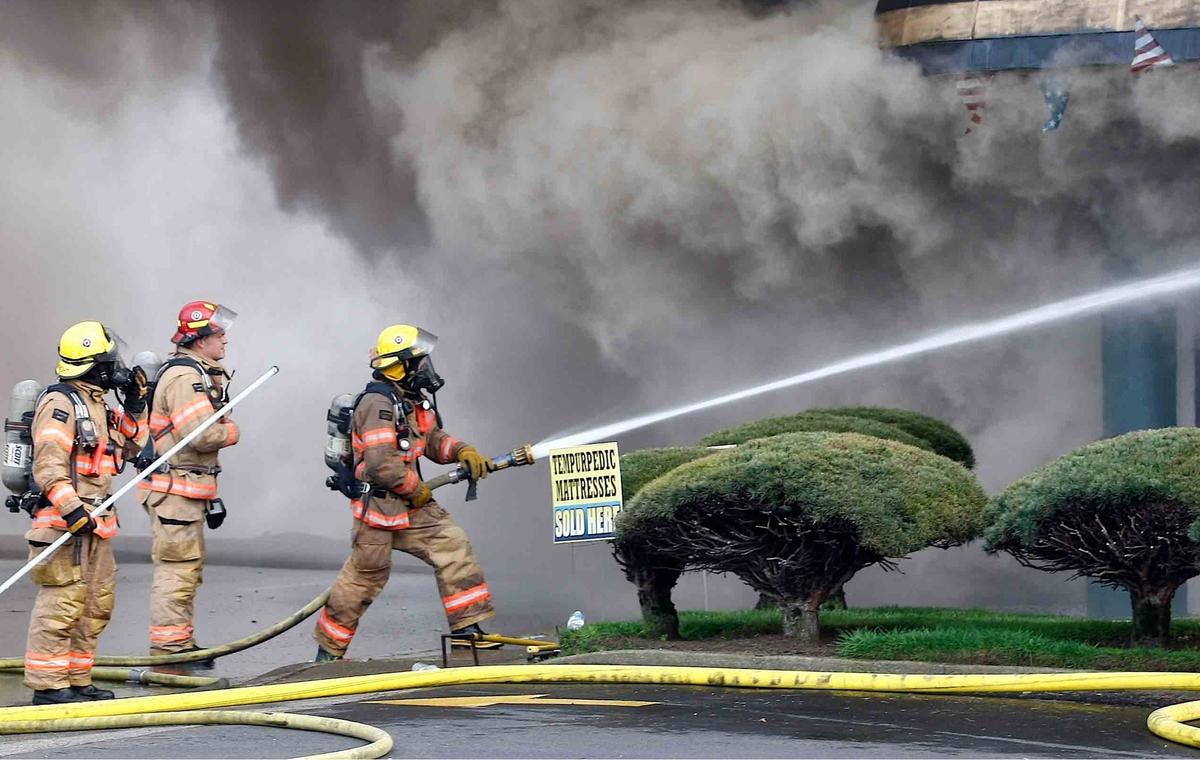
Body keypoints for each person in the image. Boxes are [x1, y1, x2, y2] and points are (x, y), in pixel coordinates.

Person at [313, 324, 496, 661]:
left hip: (411, 505)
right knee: (364, 578)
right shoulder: (377, 404)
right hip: (379, 507)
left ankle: (466, 632)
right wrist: (416, 489)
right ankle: (327, 654)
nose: (426, 367)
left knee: (453, 545)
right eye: (418, 360)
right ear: (400, 365)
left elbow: (433, 440)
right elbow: (381, 463)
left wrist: (462, 451)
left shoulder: (410, 401)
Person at [24, 321, 149, 704]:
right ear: (93, 364)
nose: (117, 367)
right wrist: (71, 508)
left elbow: (133, 446)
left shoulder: (97, 404)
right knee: (61, 606)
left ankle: (77, 679)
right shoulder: (60, 404)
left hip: (96, 524)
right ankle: (48, 686)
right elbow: (48, 465)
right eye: (110, 361)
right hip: (65, 524)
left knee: (94, 605)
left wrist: (135, 405)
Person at [137, 301, 239, 662]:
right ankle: (169, 650)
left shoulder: (197, 373)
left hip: (183, 491)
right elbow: (200, 435)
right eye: (219, 334)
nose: (225, 340)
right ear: (199, 340)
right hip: (174, 493)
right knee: (177, 571)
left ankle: (179, 644)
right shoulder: (185, 378)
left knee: (186, 569)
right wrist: (232, 432)